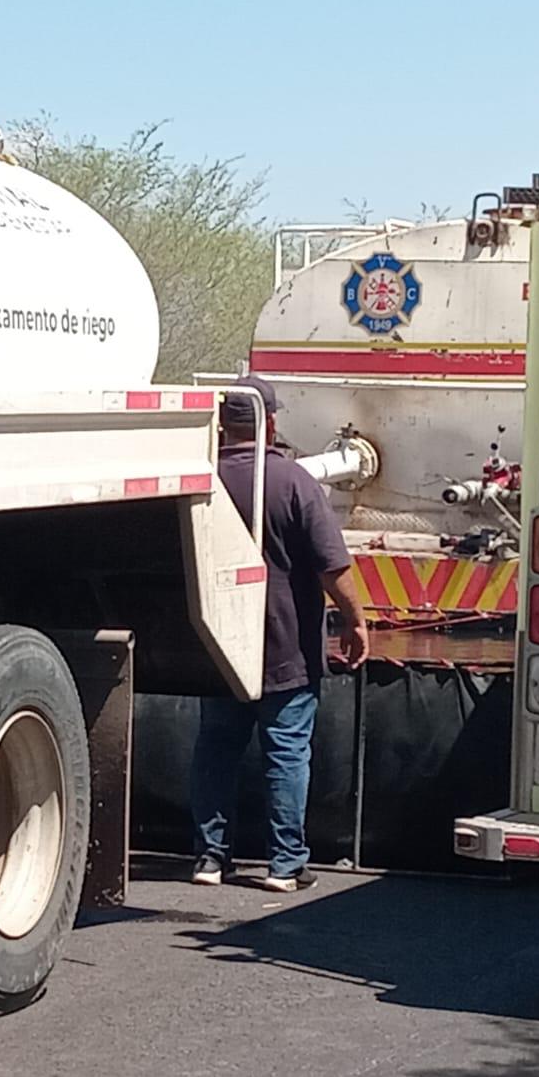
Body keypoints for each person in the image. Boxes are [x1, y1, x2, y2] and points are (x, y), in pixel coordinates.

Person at [190, 374, 369, 893]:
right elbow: (331, 567)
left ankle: (209, 858)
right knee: (286, 751)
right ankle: (285, 865)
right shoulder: (294, 483)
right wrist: (355, 620)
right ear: (269, 422)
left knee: (216, 749)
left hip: (217, 643)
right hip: (285, 647)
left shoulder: (203, 479)